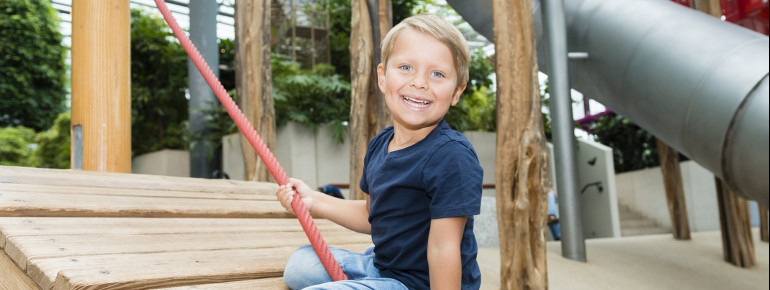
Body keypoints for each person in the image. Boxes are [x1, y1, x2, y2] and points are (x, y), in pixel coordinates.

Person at [275, 14, 483, 290]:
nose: (420, 82)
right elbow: (372, 215)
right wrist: (313, 200)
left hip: (422, 284)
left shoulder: (451, 156)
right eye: (406, 67)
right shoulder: (380, 144)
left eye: (437, 74)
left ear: (456, 92)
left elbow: (444, 248)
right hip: (384, 267)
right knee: (300, 266)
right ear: (383, 77)